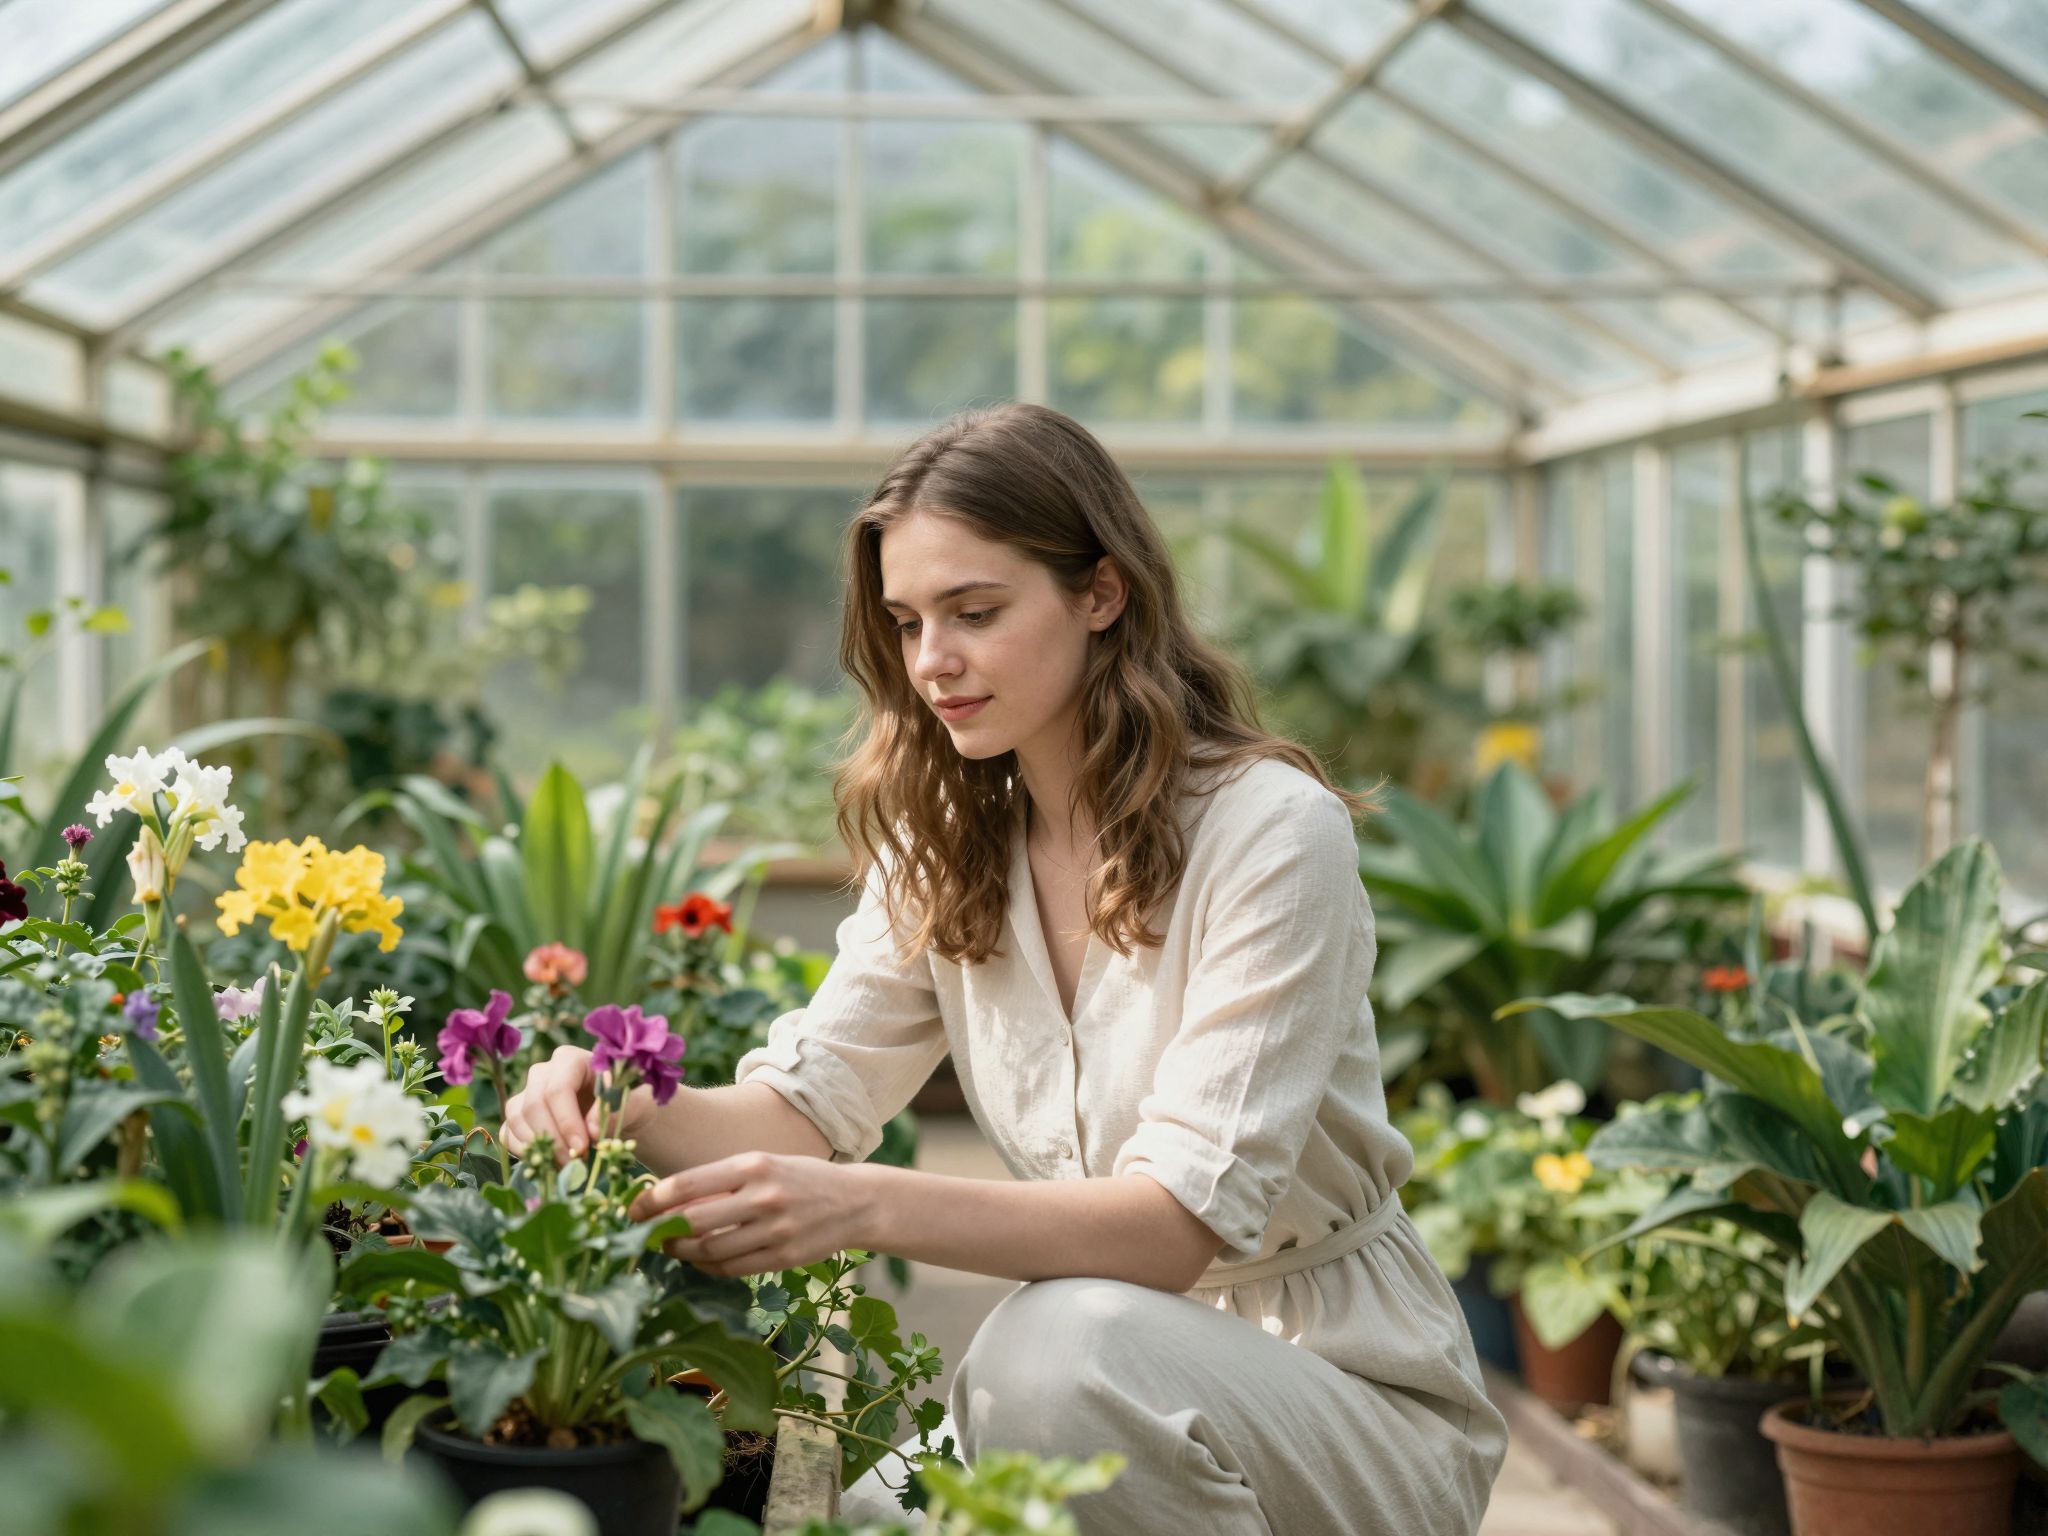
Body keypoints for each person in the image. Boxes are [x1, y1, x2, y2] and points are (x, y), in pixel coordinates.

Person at [500, 402, 1507, 1533]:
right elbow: (803, 1107)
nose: (932, 662)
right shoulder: (952, 835)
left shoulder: (1270, 832)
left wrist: (858, 1206)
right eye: (906, 620)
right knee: (835, 1517)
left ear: (1101, 593)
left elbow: (1175, 1228)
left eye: (974, 612)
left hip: (1337, 1399)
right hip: (1095, 1378)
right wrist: (614, 1097)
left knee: (1048, 1345)